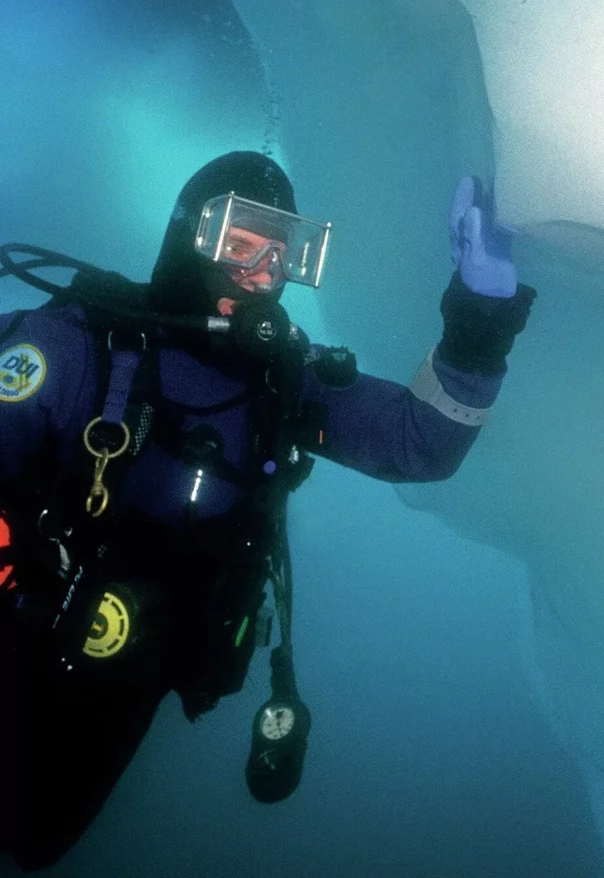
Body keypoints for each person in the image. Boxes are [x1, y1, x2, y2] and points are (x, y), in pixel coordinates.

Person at [0, 152, 535, 871]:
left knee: (35, 840)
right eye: (238, 244)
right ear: (190, 234)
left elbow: (420, 444)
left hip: (134, 684)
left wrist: (479, 321)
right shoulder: (76, 346)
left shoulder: (285, 382)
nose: (258, 274)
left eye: (282, 255)